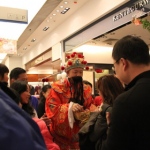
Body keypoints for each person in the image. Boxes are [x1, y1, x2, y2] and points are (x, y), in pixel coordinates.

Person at [101, 35, 150, 150]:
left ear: (123, 63)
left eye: (114, 66)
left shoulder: (125, 101)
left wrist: (111, 126)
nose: (115, 72)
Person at [45, 52, 93, 150]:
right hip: (60, 138)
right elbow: (52, 109)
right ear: (67, 72)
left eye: (80, 72)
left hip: (80, 135)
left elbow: (89, 106)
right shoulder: (57, 87)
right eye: (75, 72)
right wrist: (70, 108)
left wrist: (87, 113)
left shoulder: (86, 89)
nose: (78, 75)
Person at [79, 75, 124, 150]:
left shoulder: (106, 109)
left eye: (99, 90)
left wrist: (94, 116)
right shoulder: (123, 104)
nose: (99, 93)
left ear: (104, 91)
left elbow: (93, 136)